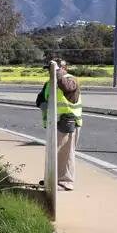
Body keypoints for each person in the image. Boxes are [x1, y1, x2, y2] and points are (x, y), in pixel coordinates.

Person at [36, 63, 82, 191]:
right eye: (49, 70)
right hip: (53, 124)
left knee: (66, 154)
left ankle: (66, 182)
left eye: (53, 69)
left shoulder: (70, 79)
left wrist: (59, 74)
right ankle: (52, 179)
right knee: (53, 153)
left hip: (68, 122)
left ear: (63, 68)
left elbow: (68, 88)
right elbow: (40, 99)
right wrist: (42, 104)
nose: (50, 72)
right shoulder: (49, 82)